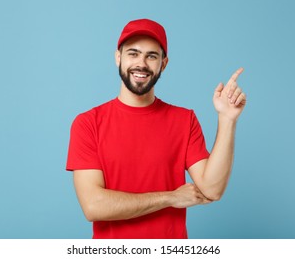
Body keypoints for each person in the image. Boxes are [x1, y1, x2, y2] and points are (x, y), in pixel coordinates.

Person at [66, 18, 246, 239]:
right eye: (133, 53)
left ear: (164, 63)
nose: (141, 63)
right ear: (118, 58)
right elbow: (93, 206)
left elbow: (212, 189)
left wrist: (227, 119)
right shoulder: (88, 123)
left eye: (151, 56)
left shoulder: (184, 120)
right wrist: (170, 198)